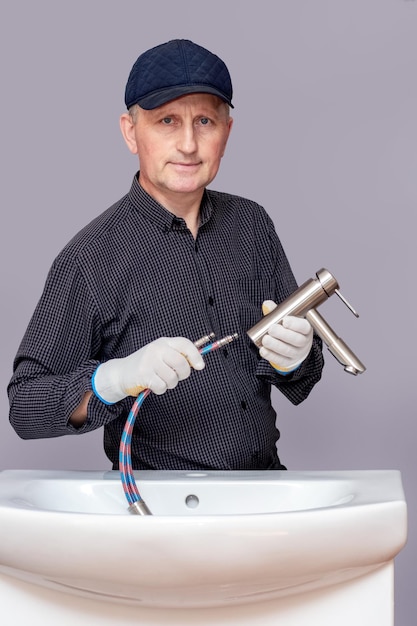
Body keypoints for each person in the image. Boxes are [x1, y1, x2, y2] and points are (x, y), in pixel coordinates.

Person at [8, 39, 324, 471]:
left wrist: (299, 357)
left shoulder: (252, 225)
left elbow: (301, 378)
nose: (189, 144)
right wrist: (112, 380)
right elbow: (26, 406)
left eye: (205, 121)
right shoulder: (89, 258)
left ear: (226, 133)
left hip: (265, 493)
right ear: (130, 131)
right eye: (167, 121)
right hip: (158, 511)